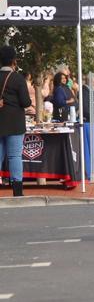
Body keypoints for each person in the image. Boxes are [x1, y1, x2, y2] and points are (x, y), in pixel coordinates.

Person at [0, 46, 32, 196]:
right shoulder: (18, 78)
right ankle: (17, 191)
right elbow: (26, 102)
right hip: (15, 123)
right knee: (14, 156)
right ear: (14, 60)